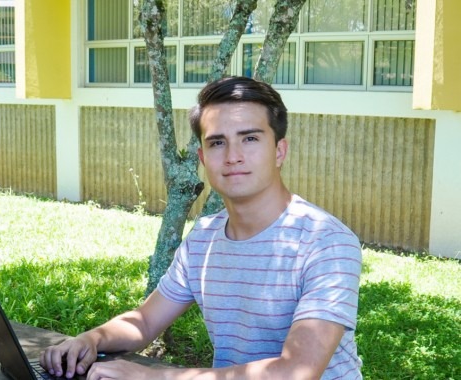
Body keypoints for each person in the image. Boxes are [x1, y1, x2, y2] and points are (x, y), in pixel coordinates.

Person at [40, 76, 363, 379]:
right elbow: (146, 321)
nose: (233, 156)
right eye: (217, 143)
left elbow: (298, 371)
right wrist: (92, 339)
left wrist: (157, 376)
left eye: (249, 138)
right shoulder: (205, 237)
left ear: (279, 151)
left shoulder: (325, 241)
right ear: (203, 157)